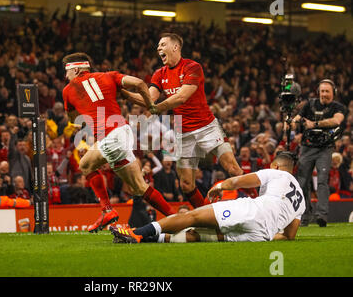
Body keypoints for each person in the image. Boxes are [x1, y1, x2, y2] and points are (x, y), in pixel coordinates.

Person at [121, 33, 243, 210]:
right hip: (183, 133)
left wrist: (157, 108)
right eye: (158, 46)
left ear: (175, 47)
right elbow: (148, 98)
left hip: (207, 127)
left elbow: (181, 97)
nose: (158, 48)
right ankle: (208, 218)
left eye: (162, 44)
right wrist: (124, 94)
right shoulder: (159, 74)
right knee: (186, 185)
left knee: (233, 169)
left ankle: (259, 205)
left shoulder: (193, 67)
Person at [62, 52, 176, 233]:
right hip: (123, 131)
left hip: (110, 137)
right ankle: (176, 218)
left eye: (66, 72)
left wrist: (82, 121)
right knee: (139, 187)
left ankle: (107, 210)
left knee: (85, 165)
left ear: (75, 69)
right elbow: (139, 83)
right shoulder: (109, 75)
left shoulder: (68, 90)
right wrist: (151, 106)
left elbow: (75, 119)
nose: (65, 76)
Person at [110, 152, 305, 243]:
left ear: (275, 165)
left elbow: (238, 181)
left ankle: (137, 232)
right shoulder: (301, 200)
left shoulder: (276, 173)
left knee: (194, 217)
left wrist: (220, 186)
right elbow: (289, 236)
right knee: (201, 237)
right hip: (261, 235)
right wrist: (267, 233)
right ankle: (144, 240)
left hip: (252, 212)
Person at [289, 79, 347, 227]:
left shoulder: (338, 107)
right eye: (322, 91)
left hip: (325, 148)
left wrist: (314, 124)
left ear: (333, 93)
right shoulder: (310, 104)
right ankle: (304, 215)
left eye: (327, 91)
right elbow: (298, 118)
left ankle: (322, 215)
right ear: (318, 92)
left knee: (322, 180)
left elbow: (337, 121)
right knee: (302, 182)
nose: (324, 94)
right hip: (307, 147)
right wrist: (291, 122)